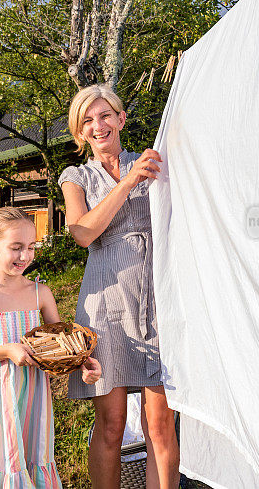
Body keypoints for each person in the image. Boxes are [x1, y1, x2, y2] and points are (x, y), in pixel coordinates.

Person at [58, 85, 179, 488]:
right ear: (79, 133)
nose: (98, 125)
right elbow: (82, 232)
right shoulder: (75, 177)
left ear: (121, 118)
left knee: (160, 424)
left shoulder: (152, 161)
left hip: (156, 302)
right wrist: (126, 184)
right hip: (105, 304)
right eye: (87, 121)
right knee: (111, 424)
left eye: (105, 115)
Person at [0, 206, 102, 488]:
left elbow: (62, 345)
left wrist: (82, 363)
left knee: (32, 458)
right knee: (3, 459)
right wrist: (7, 350)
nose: (25, 256)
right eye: (16, 248)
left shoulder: (40, 292)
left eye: (31, 247)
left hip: (34, 393)